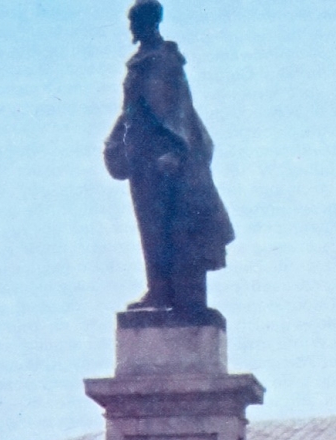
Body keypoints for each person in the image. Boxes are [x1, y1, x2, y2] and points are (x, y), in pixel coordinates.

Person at [103, 0, 233, 314]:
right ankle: (158, 289)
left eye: (136, 21)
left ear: (150, 22)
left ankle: (180, 295)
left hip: (167, 162)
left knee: (175, 227)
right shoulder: (138, 63)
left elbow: (178, 112)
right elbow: (130, 111)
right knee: (150, 229)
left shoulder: (165, 60)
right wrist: (114, 141)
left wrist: (176, 150)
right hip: (141, 160)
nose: (132, 28)